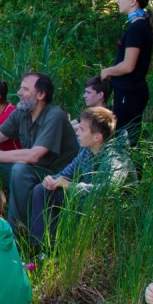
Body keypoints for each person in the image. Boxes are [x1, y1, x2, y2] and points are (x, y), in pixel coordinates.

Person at [0, 72, 79, 229]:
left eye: (25, 89)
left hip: (56, 175)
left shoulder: (54, 115)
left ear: (41, 94)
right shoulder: (21, 113)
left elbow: (34, 155)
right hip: (34, 170)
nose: (19, 92)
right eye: (20, 88)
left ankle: (16, 229)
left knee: (20, 169)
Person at [29, 106, 134, 249]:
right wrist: (52, 180)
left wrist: (70, 186)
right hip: (89, 200)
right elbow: (67, 173)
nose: (77, 131)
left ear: (97, 137)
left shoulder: (115, 158)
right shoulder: (87, 151)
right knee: (42, 190)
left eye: (82, 129)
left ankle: (68, 250)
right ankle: (43, 249)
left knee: (85, 203)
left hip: (113, 210)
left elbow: (107, 191)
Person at [100, 0, 153, 146]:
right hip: (129, 90)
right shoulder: (139, 25)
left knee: (125, 140)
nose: (118, 0)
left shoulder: (137, 28)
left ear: (133, 1)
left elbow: (128, 65)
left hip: (130, 92)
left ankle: (130, 164)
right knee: (125, 137)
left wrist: (108, 71)